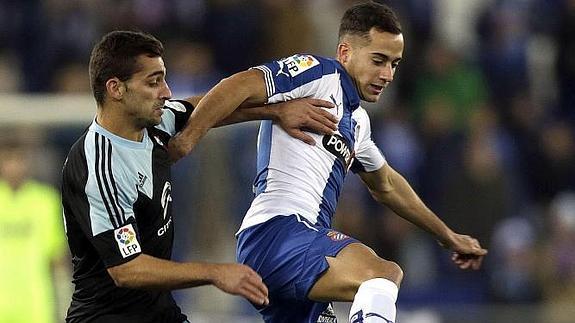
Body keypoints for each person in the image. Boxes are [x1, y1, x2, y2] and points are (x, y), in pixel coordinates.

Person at [169, 2, 488, 323]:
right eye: (378, 60)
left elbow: (387, 185)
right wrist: (188, 138)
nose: (387, 74)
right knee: (381, 273)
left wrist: (447, 236)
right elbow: (237, 85)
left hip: (298, 247)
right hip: (277, 232)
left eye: (394, 64)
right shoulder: (317, 73)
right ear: (345, 51)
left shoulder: (359, 123)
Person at [61, 30, 338, 323]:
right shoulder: (99, 166)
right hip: (106, 317)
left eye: (164, 79)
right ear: (116, 89)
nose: (166, 92)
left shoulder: (154, 125)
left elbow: (211, 108)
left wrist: (277, 111)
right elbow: (127, 270)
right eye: (153, 82)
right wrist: (215, 272)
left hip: (157, 311)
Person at [0, 139, 68, 323]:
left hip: (36, 303)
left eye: (18, 160)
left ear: (27, 163)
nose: (13, 167)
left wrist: (66, 301)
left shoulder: (46, 201)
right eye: (8, 160)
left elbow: (57, 256)